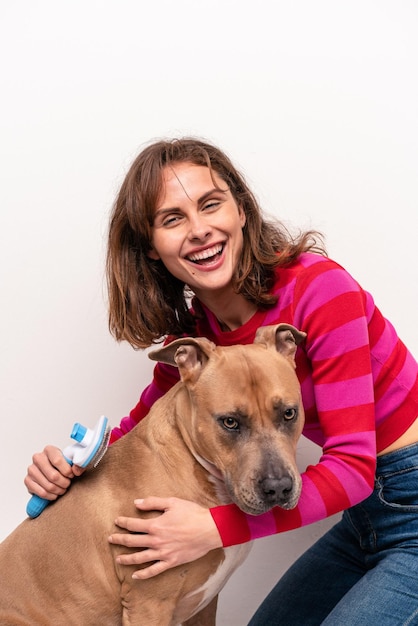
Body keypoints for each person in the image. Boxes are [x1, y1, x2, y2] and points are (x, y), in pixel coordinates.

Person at [25, 137, 418, 625]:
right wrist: (65, 467)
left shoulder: (321, 291)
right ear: (150, 247)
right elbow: (134, 434)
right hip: (364, 519)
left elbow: (355, 468)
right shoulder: (198, 344)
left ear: (242, 212)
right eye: (173, 219)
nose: (199, 230)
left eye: (211, 205)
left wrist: (212, 528)